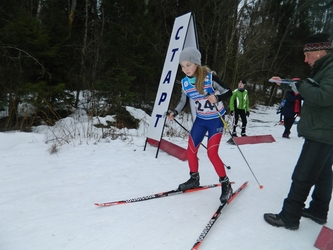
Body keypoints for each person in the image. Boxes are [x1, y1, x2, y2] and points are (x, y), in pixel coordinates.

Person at [264, 33, 333, 230]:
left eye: (307, 54)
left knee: (303, 174)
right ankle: (318, 211)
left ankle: (289, 217)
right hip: (325, 130)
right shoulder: (326, 67)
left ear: (318, 52)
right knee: (323, 174)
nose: (305, 59)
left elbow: (324, 96)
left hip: (322, 131)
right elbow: (314, 87)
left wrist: (302, 86)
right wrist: (288, 82)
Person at [167, 47, 232, 203]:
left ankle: (226, 184)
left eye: (188, 65)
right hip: (201, 120)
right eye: (182, 66)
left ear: (196, 63)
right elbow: (183, 101)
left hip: (216, 120)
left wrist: (217, 98)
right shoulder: (184, 83)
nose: (185, 69)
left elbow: (228, 91)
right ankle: (194, 178)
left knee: (212, 153)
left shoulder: (209, 78)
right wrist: (175, 112)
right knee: (191, 150)